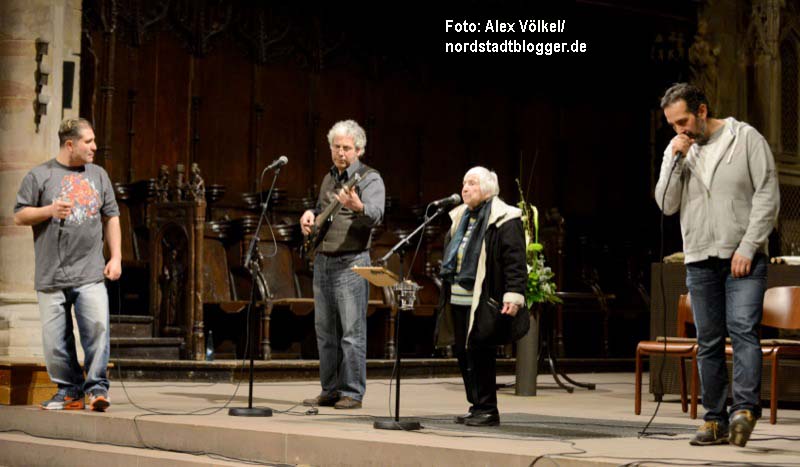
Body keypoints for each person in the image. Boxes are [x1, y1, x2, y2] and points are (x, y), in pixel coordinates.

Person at [655, 83, 779, 446]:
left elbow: (767, 193)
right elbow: (666, 203)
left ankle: (744, 411)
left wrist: (748, 245)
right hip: (699, 258)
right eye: (672, 125)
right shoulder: (678, 150)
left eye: (683, 121)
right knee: (707, 341)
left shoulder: (745, 139)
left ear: (703, 111)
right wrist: (673, 160)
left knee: (742, 330)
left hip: (743, 257)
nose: (679, 130)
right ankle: (714, 420)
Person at [14, 118, 122, 411]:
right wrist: (49, 210)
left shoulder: (98, 175)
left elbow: (112, 216)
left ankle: (97, 389)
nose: (95, 147)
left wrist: (115, 257)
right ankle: (69, 391)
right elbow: (19, 215)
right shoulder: (40, 175)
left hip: (90, 272)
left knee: (98, 330)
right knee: (55, 341)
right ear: (70, 144)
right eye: (88, 142)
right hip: (52, 274)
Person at [299, 119, 385, 410]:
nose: (341, 152)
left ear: (359, 150)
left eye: (347, 148)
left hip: (352, 261)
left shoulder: (370, 178)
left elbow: (376, 214)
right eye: (336, 147)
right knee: (325, 332)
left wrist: (358, 206)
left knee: (351, 333)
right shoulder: (328, 178)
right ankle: (330, 389)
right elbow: (323, 211)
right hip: (323, 261)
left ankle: (352, 392)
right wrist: (310, 214)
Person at [435, 166, 527, 427]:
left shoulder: (505, 218)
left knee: (481, 353)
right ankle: (476, 406)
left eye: (472, 183)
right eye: (464, 182)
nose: (465, 188)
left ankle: (488, 408)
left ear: (487, 189)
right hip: (458, 297)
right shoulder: (460, 217)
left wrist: (514, 295)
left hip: (485, 299)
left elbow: (515, 261)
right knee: (464, 355)